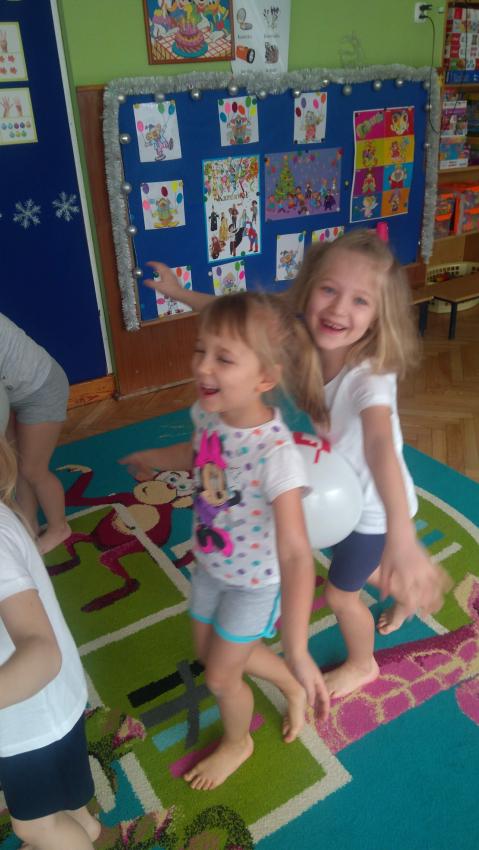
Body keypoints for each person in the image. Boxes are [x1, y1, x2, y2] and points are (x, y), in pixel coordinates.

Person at [143, 231, 446, 701]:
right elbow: (237, 320)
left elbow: (381, 445)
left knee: (341, 594)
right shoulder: (300, 327)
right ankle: (404, 588)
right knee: (352, 565)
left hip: (372, 511)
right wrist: (179, 293)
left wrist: (403, 540)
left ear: (379, 315)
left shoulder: (370, 378)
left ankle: (363, 664)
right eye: (329, 289)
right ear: (308, 288)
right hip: (336, 496)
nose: (338, 308)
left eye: (360, 300)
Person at [121, 291, 330, 791]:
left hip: (253, 584)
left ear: (265, 378)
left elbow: (296, 553)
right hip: (210, 565)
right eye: (201, 350)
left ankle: (239, 742)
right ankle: (286, 683)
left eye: (224, 358)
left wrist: (297, 647)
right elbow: (198, 454)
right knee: (210, 652)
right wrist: (156, 458)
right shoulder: (209, 413)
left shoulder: (277, 456)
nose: (202, 366)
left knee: (220, 676)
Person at [0, 433, 99, 849]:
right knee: (66, 792)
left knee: (34, 826)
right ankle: (84, 828)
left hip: (29, 715)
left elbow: (41, 653)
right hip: (49, 702)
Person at [1, 312, 71, 554]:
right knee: (15, 463)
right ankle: (28, 524)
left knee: (33, 469)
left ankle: (59, 528)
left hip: (41, 392)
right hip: (12, 393)